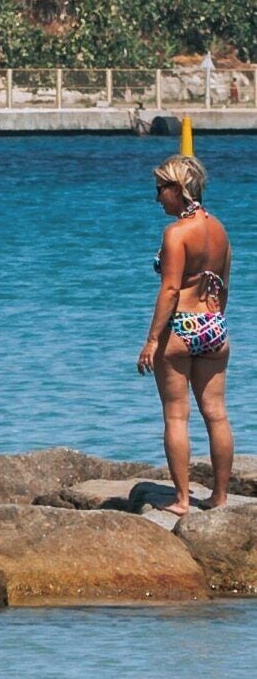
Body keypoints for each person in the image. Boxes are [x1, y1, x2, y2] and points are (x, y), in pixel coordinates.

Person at [138, 152, 234, 515]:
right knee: (217, 414)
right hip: (213, 325)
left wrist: (151, 340)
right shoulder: (219, 229)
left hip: (180, 326)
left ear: (178, 189)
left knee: (176, 415)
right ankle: (220, 498)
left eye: (160, 189)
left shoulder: (177, 232)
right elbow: (223, 284)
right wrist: (215, 322)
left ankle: (181, 500)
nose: (157, 196)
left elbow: (170, 291)